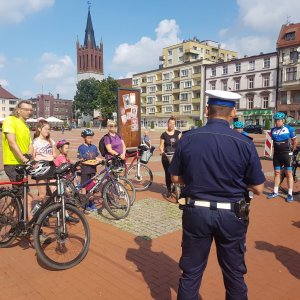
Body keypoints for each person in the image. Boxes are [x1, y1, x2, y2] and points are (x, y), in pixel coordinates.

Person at [169, 90, 265, 300]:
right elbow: (258, 188)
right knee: (234, 275)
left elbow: (175, 178)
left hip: (196, 213)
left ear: (206, 111)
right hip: (231, 216)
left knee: (191, 274)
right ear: (233, 113)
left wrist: (197, 179)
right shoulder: (244, 143)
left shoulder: (188, 138)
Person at [1, 100, 34, 208]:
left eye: (31, 110)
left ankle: (14, 218)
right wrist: (23, 159)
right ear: (19, 110)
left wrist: (29, 157)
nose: (29, 112)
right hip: (13, 163)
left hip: (22, 164)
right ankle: (26, 223)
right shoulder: (10, 120)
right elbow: (11, 142)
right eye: (26, 109)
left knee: (20, 195)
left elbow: (30, 144)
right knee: (25, 196)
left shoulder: (26, 126)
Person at [267, 112, 297, 202]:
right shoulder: (273, 130)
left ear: (283, 120)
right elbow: (274, 142)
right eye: (275, 120)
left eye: (279, 120)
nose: (277, 122)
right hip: (277, 155)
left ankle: (290, 194)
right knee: (277, 173)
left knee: (288, 174)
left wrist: (292, 151)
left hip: (287, 154)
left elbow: (295, 141)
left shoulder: (289, 129)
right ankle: (275, 192)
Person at [77, 128, 101, 212]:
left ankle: (91, 203)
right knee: (84, 187)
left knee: (93, 187)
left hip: (93, 170)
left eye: (91, 137)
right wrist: (91, 163)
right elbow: (81, 160)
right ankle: (84, 204)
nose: (90, 139)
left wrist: (100, 160)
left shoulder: (94, 147)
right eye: (88, 137)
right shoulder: (81, 148)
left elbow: (95, 157)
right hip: (85, 170)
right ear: (84, 138)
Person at [32, 120, 57, 199]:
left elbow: (55, 154)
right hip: (41, 167)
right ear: (39, 129)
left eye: (49, 129)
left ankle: (53, 209)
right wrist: (41, 159)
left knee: (54, 191)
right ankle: (42, 210)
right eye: (46, 129)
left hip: (51, 166)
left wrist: (52, 156)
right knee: (43, 194)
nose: (48, 131)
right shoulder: (35, 142)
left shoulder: (50, 141)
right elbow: (33, 156)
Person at [159, 116, 182, 198]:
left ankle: (180, 189)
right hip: (167, 157)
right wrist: (162, 152)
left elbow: (182, 144)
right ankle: (169, 190)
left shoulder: (178, 133)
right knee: (168, 174)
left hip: (176, 157)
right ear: (167, 124)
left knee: (178, 172)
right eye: (170, 123)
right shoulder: (163, 135)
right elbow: (161, 146)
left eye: (173, 123)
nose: (171, 125)